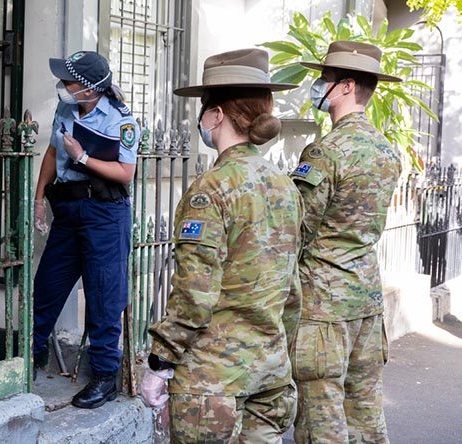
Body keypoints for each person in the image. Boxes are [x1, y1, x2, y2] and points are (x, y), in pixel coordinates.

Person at [142, 48, 303, 443]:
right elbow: (292, 289)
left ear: (215, 115)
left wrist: (160, 362)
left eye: (203, 110)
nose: (200, 119)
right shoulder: (285, 185)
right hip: (271, 374)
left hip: (213, 380)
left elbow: (195, 295)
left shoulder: (210, 190)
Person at [289, 41, 402, 443]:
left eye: (326, 79)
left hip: (324, 308)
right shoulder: (387, 151)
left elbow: (297, 226)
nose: (319, 85)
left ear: (346, 86)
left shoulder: (326, 152)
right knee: (366, 413)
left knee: (322, 422)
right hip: (367, 301)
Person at [32, 50, 139, 409]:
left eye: (70, 81)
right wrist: (38, 198)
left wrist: (82, 158)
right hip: (68, 209)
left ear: (90, 88)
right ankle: (28, 358)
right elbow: (50, 152)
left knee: (103, 295)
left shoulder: (122, 121)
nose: (63, 86)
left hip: (105, 213)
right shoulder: (66, 109)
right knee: (47, 285)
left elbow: (125, 174)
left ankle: (105, 376)